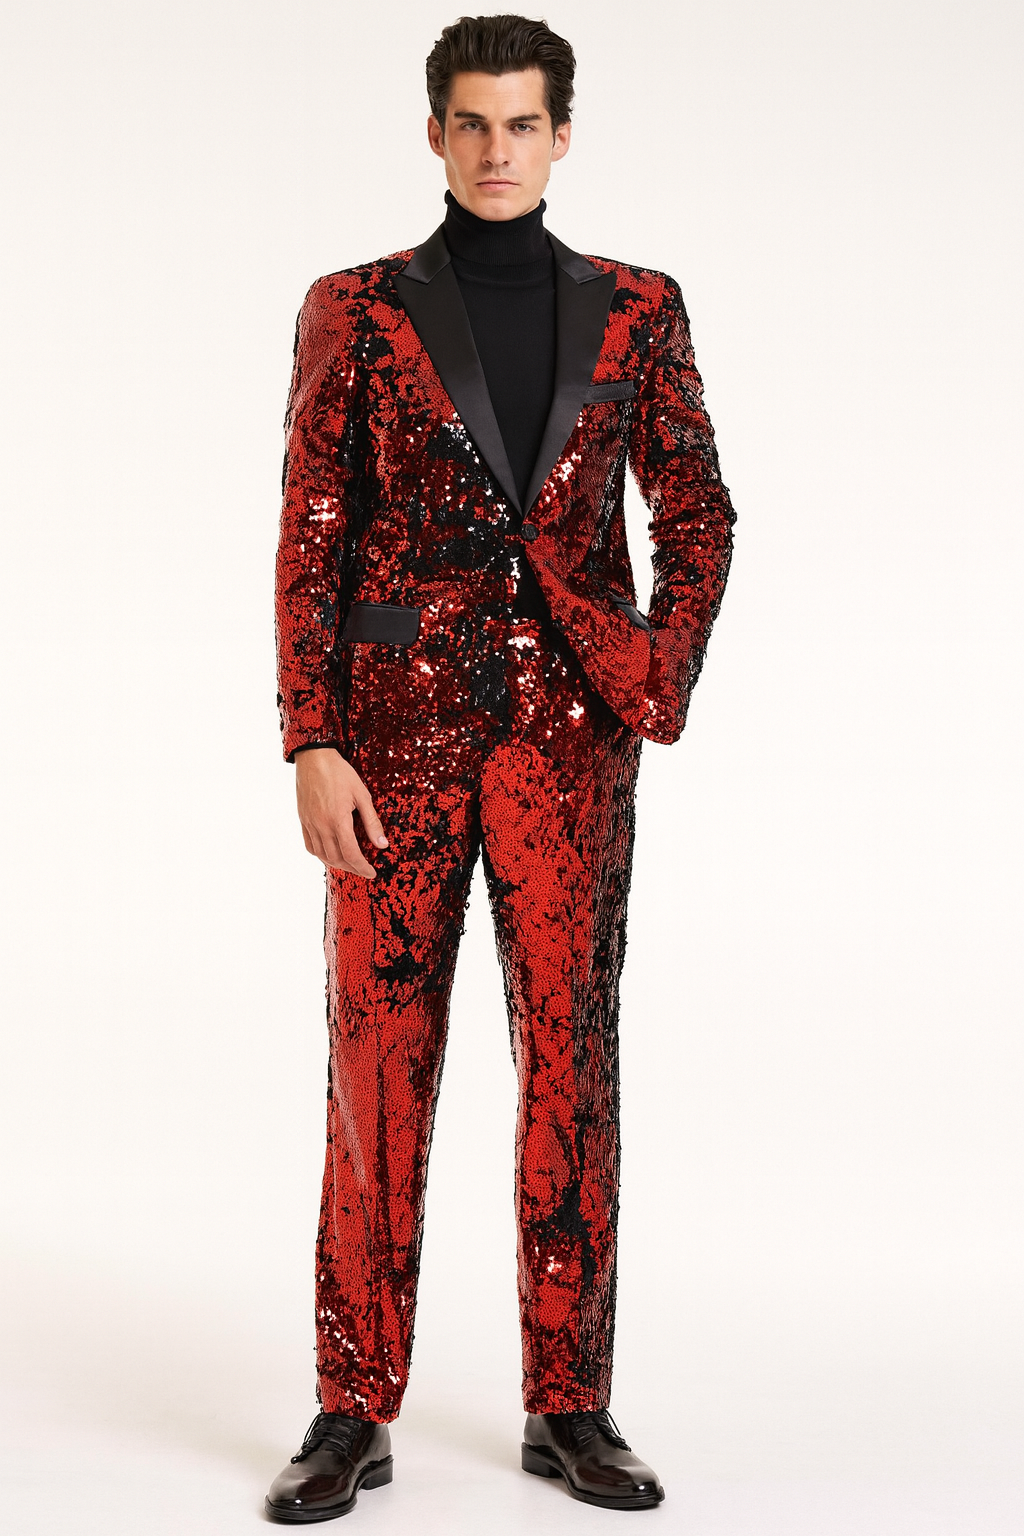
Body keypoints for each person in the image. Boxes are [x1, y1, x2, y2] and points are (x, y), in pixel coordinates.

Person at [266, 13, 734, 1521]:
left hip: (571, 748)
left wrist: (649, 674)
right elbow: (313, 532)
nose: (495, 149)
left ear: (562, 136)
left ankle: (569, 1401)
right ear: (435, 134)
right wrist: (310, 734)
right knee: (376, 1069)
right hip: (389, 746)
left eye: (522, 124)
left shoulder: (639, 308)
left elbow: (699, 512)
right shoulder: (354, 308)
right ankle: (351, 1407)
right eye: (470, 122)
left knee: (572, 1064)